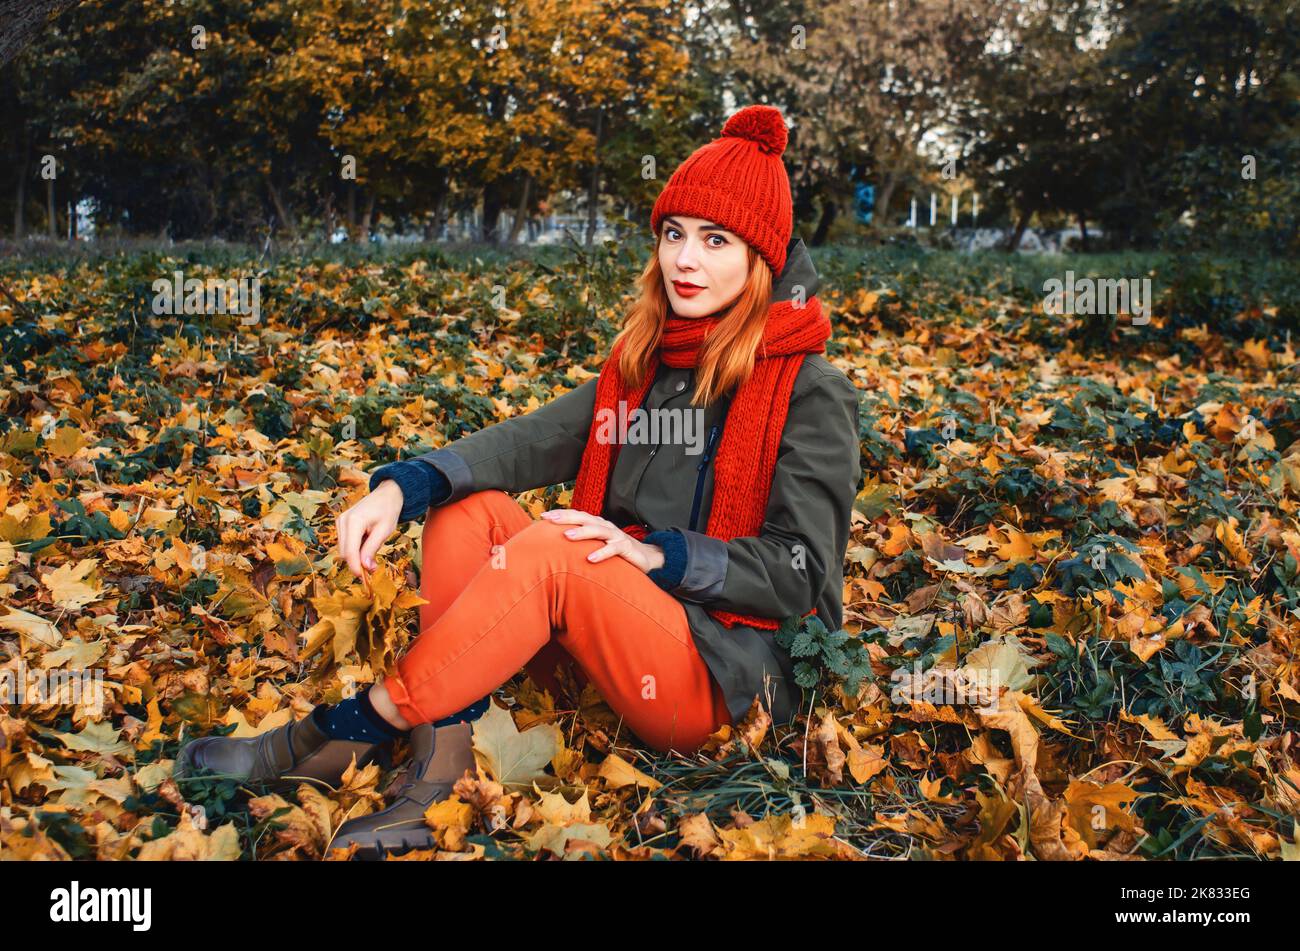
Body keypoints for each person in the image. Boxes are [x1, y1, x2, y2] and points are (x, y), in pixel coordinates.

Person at [174, 104, 862, 859]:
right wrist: (403, 486)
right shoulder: (646, 362)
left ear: (760, 256)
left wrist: (660, 555)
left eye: (715, 240)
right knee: (468, 512)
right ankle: (440, 770)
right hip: (614, 643)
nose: (684, 261)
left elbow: (801, 573)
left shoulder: (810, 391)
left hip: (721, 675)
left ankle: (344, 729)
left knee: (562, 545)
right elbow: (528, 440)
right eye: (673, 234)